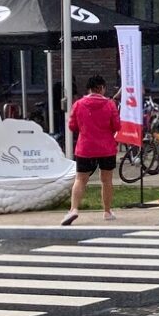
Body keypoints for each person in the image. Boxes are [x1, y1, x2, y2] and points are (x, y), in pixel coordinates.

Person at [64, 75, 121, 225]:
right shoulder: (110, 105)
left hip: (85, 148)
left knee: (80, 179)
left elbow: (72, 126)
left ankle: (73, 209)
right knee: (106, 180)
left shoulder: (78, 104)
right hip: (106, 148)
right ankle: (107, 211)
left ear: (88, 88)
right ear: (101, 88)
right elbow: (117, 126)